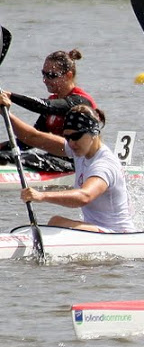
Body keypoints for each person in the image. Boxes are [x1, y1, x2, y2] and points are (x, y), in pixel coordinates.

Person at [0, 94, 135, 233]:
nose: (71, 143)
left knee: (56, 222)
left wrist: (42, 196)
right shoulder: (81, 149)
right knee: (56, 221)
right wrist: (6, 114)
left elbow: (85, 196)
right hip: (97, 229)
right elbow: (33, 137)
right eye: (67, 137)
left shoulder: (104, 164)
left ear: (94, 133)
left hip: (117, 233)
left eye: (75, 137)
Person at [0, 49, 97, 171]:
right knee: (5, 156)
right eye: (44, 74)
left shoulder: (80, 102)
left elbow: (46, 106)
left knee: (15, 158)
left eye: (51, 75)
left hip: (78, 163)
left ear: (69, 75)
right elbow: (28, 141)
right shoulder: (53, 100)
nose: (45, 80)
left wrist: (11, 96)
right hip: (56, 161)